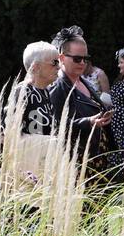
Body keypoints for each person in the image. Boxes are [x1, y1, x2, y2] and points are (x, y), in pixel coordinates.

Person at [49, 26, 115, 174]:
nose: (82, 63)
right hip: (77, 164)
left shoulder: (83, 82)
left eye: (86, 59)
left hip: (96, 158)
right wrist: (89, 122)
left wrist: (103, 117)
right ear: (62, 58)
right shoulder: (57, 87)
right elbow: (56, 128)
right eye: (77, 59)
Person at [8, 41, 60, 183]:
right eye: (54, 62)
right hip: (28, 173)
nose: (59, 67)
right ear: (36, 67)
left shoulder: (46, 92)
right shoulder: (22, 91)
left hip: (45, 168)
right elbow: (8, 132)